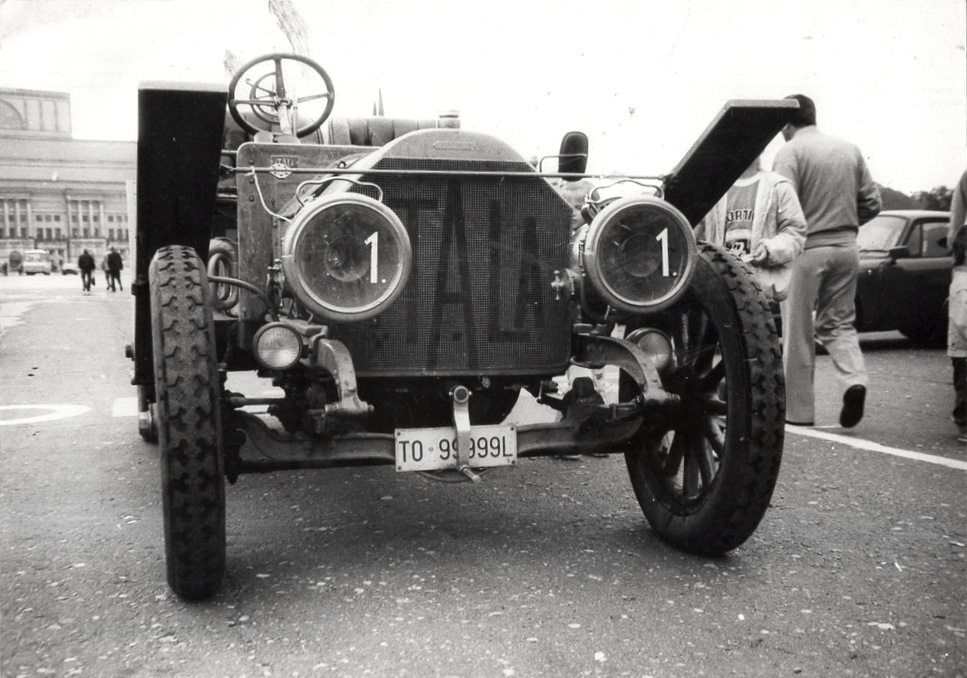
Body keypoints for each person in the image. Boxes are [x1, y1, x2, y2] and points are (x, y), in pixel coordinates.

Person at [772, 94, 881, 428]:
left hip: (805, 250)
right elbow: (872, 203)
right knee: (838, 323)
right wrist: (845, 224)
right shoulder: (849, 149)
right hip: (847, 246)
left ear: (787, 123)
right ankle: (854, 381)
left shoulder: (790, 152)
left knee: (798, 332)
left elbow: (779, 206)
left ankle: (799, 413)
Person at [695, 156, 806, 302]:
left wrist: (769, 249)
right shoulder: (709, 190)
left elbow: (795, 233)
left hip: (763, 294)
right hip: (720, 291)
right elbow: (692, 236)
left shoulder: (778, 186)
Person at [948, 170, 967, 443]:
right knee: (964, 386)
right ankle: (963, 424)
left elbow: (955, 222)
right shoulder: (962, 284)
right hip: (963, 347)